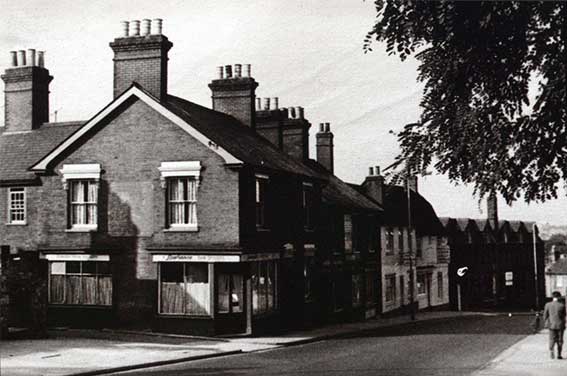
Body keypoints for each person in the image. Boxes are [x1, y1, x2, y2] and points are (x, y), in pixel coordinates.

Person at [543, 291, 567, 359]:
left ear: (552, 297)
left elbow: (545, 315)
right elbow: (564, 315)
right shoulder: (562, 305)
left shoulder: (548, 304)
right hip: (560, 325)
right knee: (560, 340)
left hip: (551, 325)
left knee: (551, 339)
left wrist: (546, 322)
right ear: (559, 297)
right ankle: (559, 354)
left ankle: (551, 350)